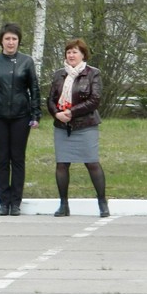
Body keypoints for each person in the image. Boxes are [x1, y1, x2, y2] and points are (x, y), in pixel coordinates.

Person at [0, 22, 40, 216]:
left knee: (18, 159)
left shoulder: (27, 62)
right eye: (7, 39)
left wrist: (35, 114)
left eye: (14, 39)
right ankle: (4, 201)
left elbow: (35, 90)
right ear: (1, 41)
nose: (11, 42)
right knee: (2, 159)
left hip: (21, 117)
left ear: (19, 41)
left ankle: (16, 202)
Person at [47, 38, 108, 217]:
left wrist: (71, 112)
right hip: (62, 125)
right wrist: (57, 113)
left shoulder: (93, 73)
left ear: (83, 54)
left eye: (75, 52)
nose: (71, 55)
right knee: (62, 164)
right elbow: (50, 99)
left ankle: (102, 202)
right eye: (68, 52)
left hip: (85, 125)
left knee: (92, 162)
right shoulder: (59, 74)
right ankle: (63, 204)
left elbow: (94, 100)